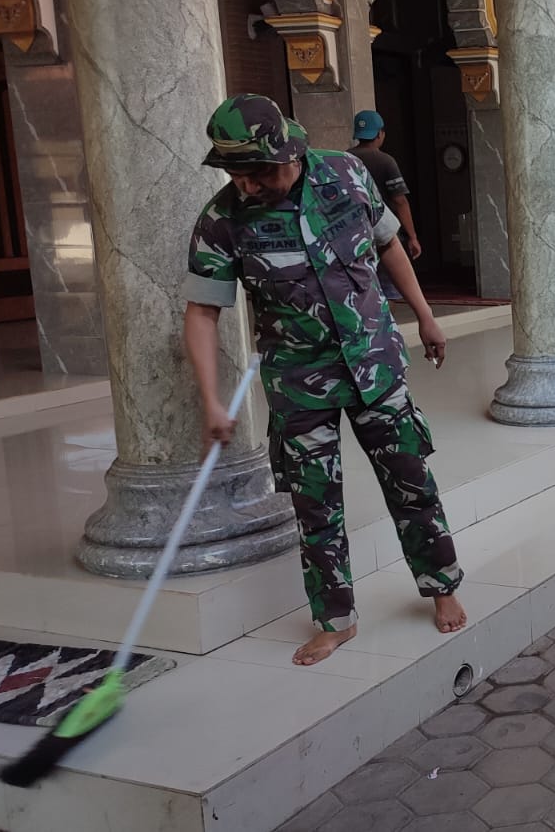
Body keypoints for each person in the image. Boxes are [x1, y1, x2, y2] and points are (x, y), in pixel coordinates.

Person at [183, 94, 464, 666]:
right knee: (316, 506)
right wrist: (212, 399)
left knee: (411, 480)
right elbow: (202, 311)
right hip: (298, 383)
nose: (248, 187)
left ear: (289, 152)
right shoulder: (223, 220)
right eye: (238, 175)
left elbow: (388, 245)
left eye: (258, 174)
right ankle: (335, 619)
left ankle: (442, 587)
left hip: (374, 364)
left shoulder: (348, 172)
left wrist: (425, 314)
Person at [348, 110, 421, 300]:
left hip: (352, 234)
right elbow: (400, 201)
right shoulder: (386, 162)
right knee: (390, 291)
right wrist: (412, 236)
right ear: (380, 133)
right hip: (384, 235)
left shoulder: (344, 160)